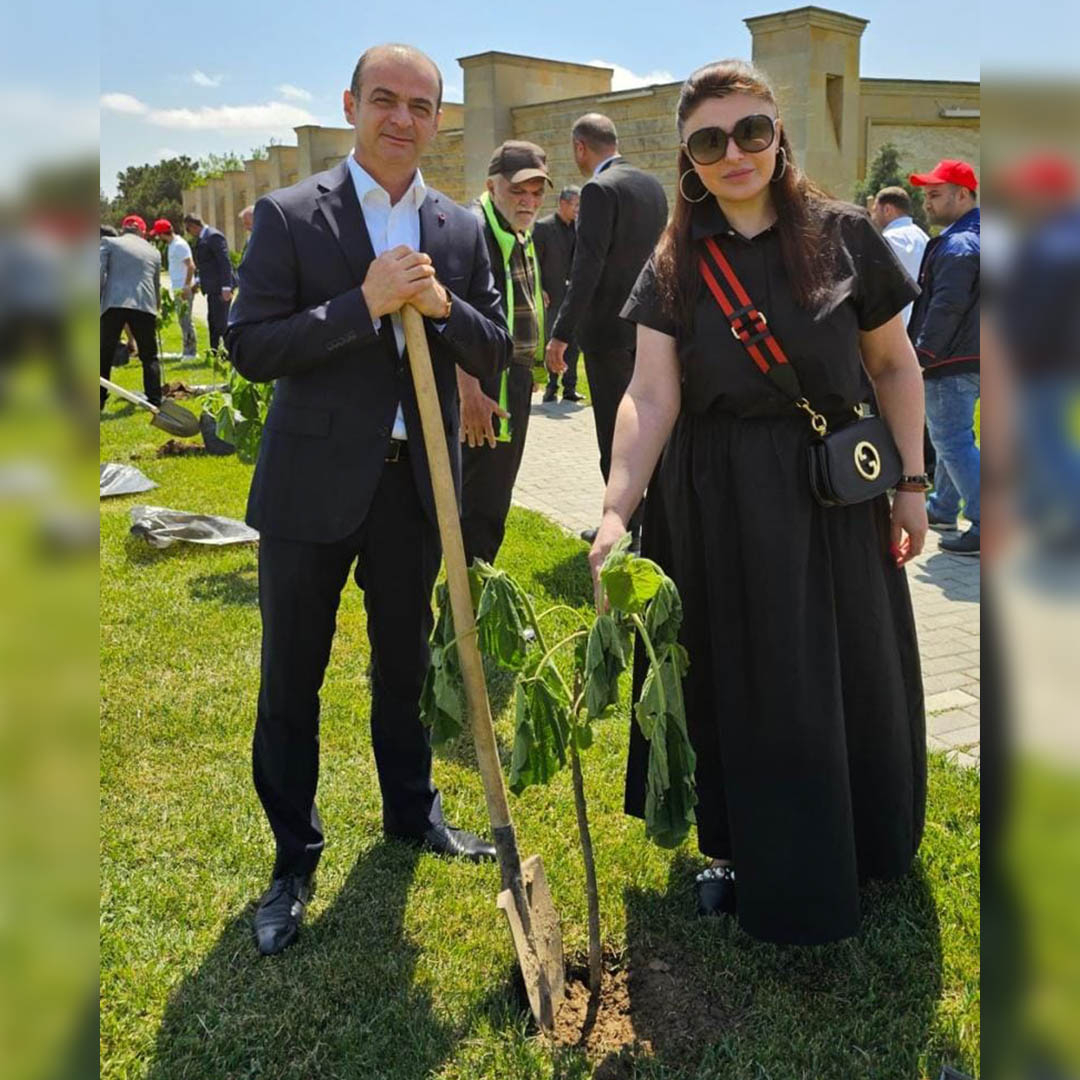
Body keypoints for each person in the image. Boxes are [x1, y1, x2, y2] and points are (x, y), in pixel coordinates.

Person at [589, 60, 928, 946]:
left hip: (829, 493)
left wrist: (915, 484)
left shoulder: (846, 235)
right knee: (734, 671)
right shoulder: (673, 260)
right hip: (715, 499)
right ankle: (735, 849)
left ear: (779, 137)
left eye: (751, 131)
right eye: (709, 140)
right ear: (689, 159)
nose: (733, 152)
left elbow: (894, 365)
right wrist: (618, 507)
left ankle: (861, 836)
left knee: (839, 661)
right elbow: (649, 396)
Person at [226, 43, 512, 956]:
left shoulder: (459, 229)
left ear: (439, 121)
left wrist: (438, 310)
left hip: (415, 491)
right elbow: (253, 346)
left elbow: (496, 347)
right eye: (383, 100)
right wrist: (363, 303)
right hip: (312, 488)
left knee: (403, 666)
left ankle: (410, 813)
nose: (401, 118)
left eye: (420, 106)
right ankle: (292, 858)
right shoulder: (287, 214)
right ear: (352, 105)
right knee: (292, 679)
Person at [544, 113, 668, 542]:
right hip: (652, 330)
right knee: (655, 426)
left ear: (581, 147)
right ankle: (657, 520)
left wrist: (561, 332)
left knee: (615, 436)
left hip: (608, 334)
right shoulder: (651, 186)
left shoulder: (598, 189)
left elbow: (587, 266)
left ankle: (625, 525)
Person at [458, 141, 551, 566]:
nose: (529, 202)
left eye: (537, 193)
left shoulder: (517, 229)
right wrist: (469, 393)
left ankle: (470, 604)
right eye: (519, 191)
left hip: (510, 378)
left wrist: (532, 367)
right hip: (483, 385)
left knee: (494, 495)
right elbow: (451, 317)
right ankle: (466, 609)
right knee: (481, 501)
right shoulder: (472, 230)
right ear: (491, 186)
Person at [907, 159, 981, 556]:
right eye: (925, 195)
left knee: (950, 440)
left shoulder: (958, 244)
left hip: (951, 358)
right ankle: (943, 507)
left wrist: (922, 353)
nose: (927, 204)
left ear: (963, 194)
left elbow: (947, 306)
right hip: (985, 355)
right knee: (957, 437)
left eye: (935, 195)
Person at [100, 214, 162, 408]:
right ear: (142, 231)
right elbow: (156, 283)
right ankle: (154, 399)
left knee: (104, 354)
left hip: (115, 304)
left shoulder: (109, 242)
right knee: (149, 355)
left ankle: (99, 399)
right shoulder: (154, 251)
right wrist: (157, 307)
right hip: (145, 305)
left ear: (123, 229)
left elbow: (98, 272)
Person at [534, 186, 582, 402]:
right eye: (576, 205)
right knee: (553, 341)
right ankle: (551, 388)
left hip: (573, 296)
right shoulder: (543, 228)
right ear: (563, 203)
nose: (578, 210)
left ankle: (569, 389)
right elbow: (532, 261)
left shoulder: (579, 229)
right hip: (551, 295)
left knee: (574, 342)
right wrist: (539, 288)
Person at [870, 186, 928, 326]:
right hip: (918, 323)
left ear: (887, 210)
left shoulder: (886, 239)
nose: (873, 216)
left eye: (875, 210)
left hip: (890, 326)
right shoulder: (924, 238)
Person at [183, 212, 235, 351]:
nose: (188, 233)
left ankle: (229, 352)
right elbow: (204, 264)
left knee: (221, 322)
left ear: (194, 226)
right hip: (212, 287)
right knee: (213, 320)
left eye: (188, 229)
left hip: (220, 287)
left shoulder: (213, 236)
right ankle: (215, 351)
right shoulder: (202, 238)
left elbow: (224, 262)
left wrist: (226, 287)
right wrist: (198, 281)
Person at [149, 218, 197, 358]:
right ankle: (186, 350)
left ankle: (191, 353)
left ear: (163, 233)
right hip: (178, 287)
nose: (158, 237)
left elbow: (191, 266)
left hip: (183, 288)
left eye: (158, 234)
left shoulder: (179, 245)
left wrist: (186, 286)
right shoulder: (172, 245)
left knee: (186, 320)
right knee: (183, 320)